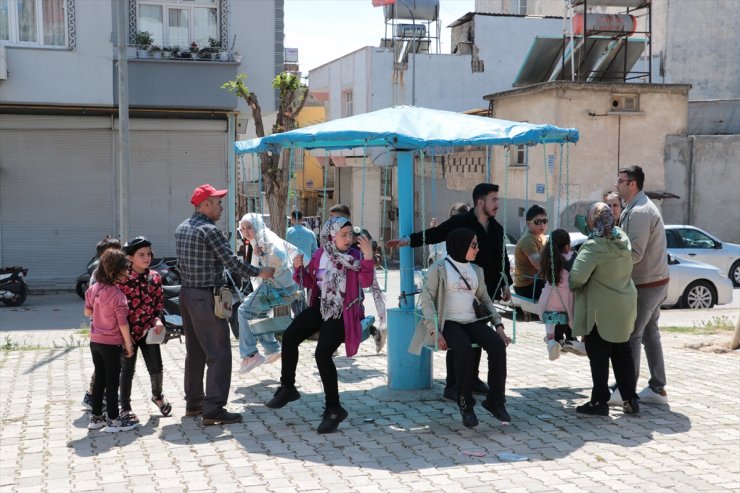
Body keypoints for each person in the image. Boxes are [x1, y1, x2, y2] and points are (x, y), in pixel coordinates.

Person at [387, 183, 512, 401]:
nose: (497, 204)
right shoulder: (460, 222)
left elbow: (501, 258)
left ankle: (472, 379)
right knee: (458, 341)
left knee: (478, 337)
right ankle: (453, 384)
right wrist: (409, 241)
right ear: (480, 201)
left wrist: (505, 284)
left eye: (497, 200)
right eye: (494, 200)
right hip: (455, 291)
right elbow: (436, 234)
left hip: (482, 291)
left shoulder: (497, 228)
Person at [266, 217, 386, 434]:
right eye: (343, 234)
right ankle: (288, 387)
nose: (349, 239)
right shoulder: (322, 254)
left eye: (351, 234)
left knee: (322, 354)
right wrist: (298, 269)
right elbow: (310, 282)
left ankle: (334, 409)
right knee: (291, 336)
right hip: (322, 307)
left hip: (343, 312)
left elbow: (366, 283)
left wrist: (368, 256)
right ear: (331, 236)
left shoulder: (356, 257)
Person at [175, 184, 275, 426]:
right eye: (217, 202)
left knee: (196, 352)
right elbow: (233, 263)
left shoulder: (182, 228)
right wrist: (262, 272)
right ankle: (214, 408)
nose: (221, 206)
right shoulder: (210, 231)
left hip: (187, 295)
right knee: (219, 353)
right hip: (207, 297)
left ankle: (194, 403)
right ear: (205, 204)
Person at [415, 228, 511, 428]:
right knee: (464, 350)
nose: (477, 249)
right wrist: (435, 330)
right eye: (473, 245)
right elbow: (426, 299)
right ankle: (465, 404)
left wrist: (499, 325)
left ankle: (495, 400)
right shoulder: (439, 269)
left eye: (476, 245)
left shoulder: (476, 270)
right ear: (461, 245)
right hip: (449, 322)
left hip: (472, 321)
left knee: (497, 346)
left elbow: (485, 299)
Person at [569, 203, 639, 416]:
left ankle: (599, 402)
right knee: (622, 353)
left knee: (599, 357)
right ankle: (630, 398)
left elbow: (576, 278)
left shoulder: (593, 246)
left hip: (600, 311)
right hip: (624, 306)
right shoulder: (622, 238)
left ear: (593, 220)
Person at [613, 165, 670, 405]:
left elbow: (634, 253)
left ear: (632, 184)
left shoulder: (640, 212)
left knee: (631, 336)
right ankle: (657, 388)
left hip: (646, 284)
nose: (617, 184)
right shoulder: (637, 207)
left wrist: (609, 260)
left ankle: (627, 390)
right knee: (649, 334)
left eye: (621, 181)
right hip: (653, 281)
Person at [237, 213, 306, 373]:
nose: (246, 232)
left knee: (243, 311)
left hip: (277, 288)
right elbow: (294, 250)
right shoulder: (264, 237)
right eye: (243, 229)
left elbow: (279, 256)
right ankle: (273, 348)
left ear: (258, 226)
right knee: (258, 314)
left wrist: (268, 259)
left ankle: (250, 354)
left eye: (250, 227)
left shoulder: (266, 240)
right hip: (285, 287)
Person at [117, 236, 171, 422]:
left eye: (148, 254)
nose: (146, 258)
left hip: (149, 331)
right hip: (127, 333)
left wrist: (158, 320)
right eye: (141, 254)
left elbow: (158, 304)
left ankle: (158, 397)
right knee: (127, 370)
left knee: (156, 367)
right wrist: (123, 335)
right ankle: (125, 407)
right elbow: (115, 309)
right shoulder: (121, 279)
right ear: (130, 257)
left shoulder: (155, 277)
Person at [84, 249, 137, 432]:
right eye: (125, 269)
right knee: (113, 382)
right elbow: (123, 324)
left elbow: (88, 312)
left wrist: (100, 312)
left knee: (100, 379)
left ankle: (96, 417)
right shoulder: (118, 296)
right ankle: (114, 420)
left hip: (95, 342)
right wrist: (128, 344)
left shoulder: (93, 289)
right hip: (111, 343)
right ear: (116, 271)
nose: (128, 272)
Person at [82, 236, 122, 411]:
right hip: (103, 329)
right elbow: (92, 306)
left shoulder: (106, 274)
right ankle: (93, 396)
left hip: (101, 330)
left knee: (104, 368)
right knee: (104, 370)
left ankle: (97, 397)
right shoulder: (99, 276)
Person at [538, 229, 584, 360]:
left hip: (548, 298)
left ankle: (551, 341)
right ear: (567, 245)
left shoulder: (547, 258)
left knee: (550, 320)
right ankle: (574, 341)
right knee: (569, 317)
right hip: (565, 298)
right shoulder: (571, 257)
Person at [513, 205, 548, 300]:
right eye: (538, 222)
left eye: (545, 221)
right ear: (528, 224)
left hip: (538, 282)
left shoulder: (542, 237)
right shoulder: (528, 240)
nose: (542, 225)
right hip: (527, 286)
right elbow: (539, 264)